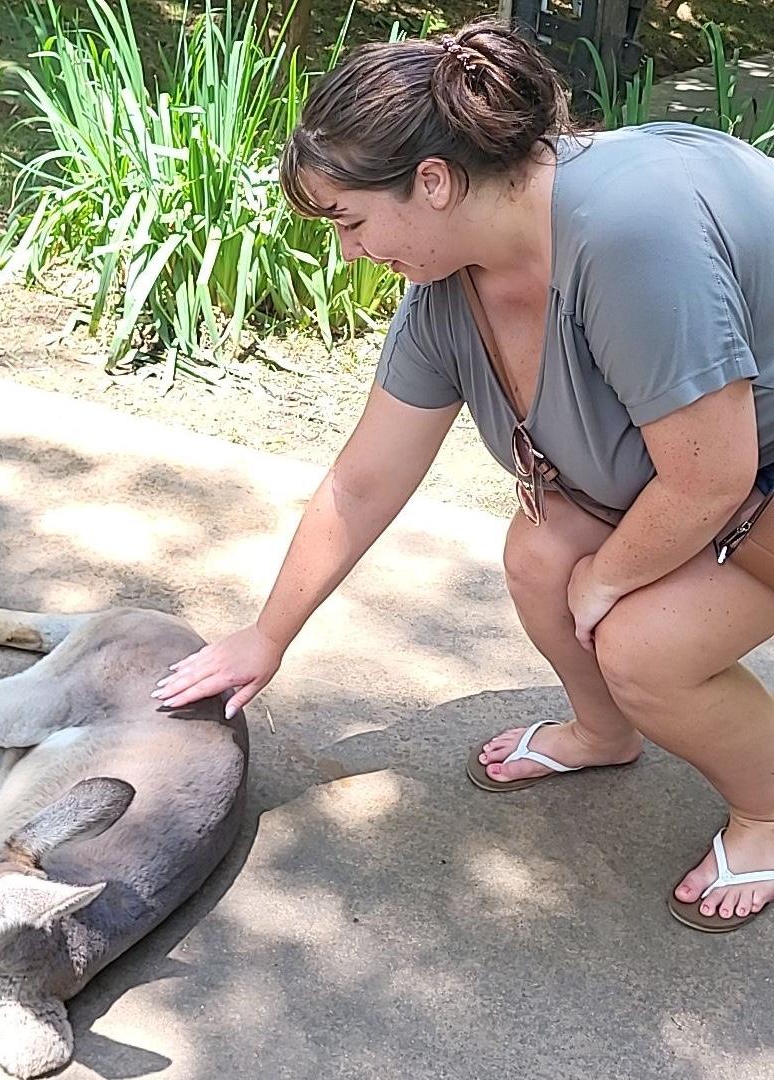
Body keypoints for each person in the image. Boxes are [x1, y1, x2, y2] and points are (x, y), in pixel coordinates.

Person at [153, 18, 774, 931]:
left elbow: (709, 475)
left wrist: (607, 582)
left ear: (434, 182)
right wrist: (266, 636)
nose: (349, 253)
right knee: (536, 554)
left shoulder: (632, 232)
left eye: (352, 221)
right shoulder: (449, 288)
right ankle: (605, 734)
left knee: (643, 643)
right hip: (721, 481)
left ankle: (766, 810)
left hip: (738, 479)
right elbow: (362, 482)